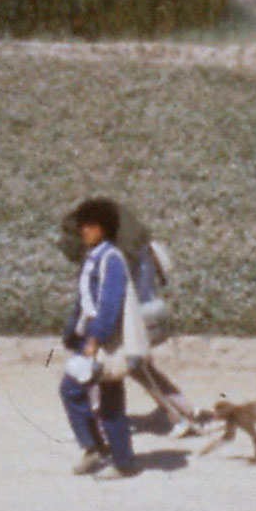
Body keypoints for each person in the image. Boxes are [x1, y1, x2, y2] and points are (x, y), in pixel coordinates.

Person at [55, 202, 209, 437]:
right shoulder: (132, 248)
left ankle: (176, 415)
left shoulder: (115, 256)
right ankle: (184, 410)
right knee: (137, 366)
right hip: (139, 313)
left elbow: (110, 298)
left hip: (130, 319)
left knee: (131, 365)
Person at [59, 197, 139, 477]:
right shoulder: (96, 257)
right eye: (83, 225)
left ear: (104, 228)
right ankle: (109, 453)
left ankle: (111, 456)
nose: (85, 230)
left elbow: (109, 303)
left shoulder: (110, 259)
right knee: (99, 396)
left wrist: (96, 338)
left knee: (99, 397)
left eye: (90, 225)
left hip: (102, 340)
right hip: (91, 337)